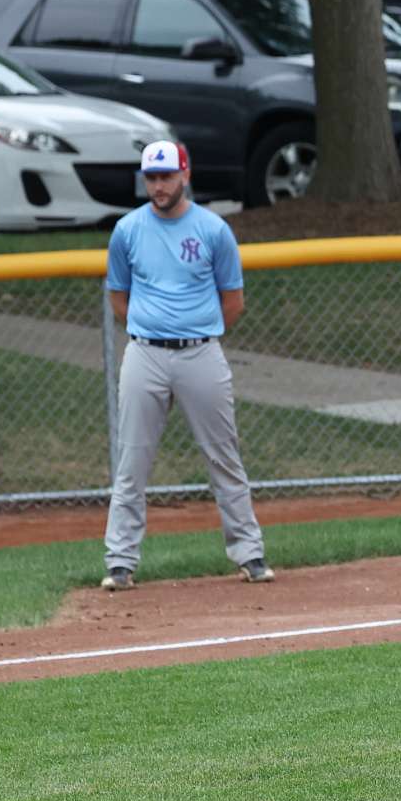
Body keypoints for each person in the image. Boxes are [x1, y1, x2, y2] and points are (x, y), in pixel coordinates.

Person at [100, 140, 272, 591]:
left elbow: (233, 300)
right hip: (145, 353)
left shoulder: (214, 230)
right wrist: (151, 329)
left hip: (200, 352)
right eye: (152, 178)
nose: (158, 186)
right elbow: (118, 296)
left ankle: (250, 554)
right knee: (132, 461)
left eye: (166, 176)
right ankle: (120, 562)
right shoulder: (127, 230)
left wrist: (197, 331)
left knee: (224, 457)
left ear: (185, 175)